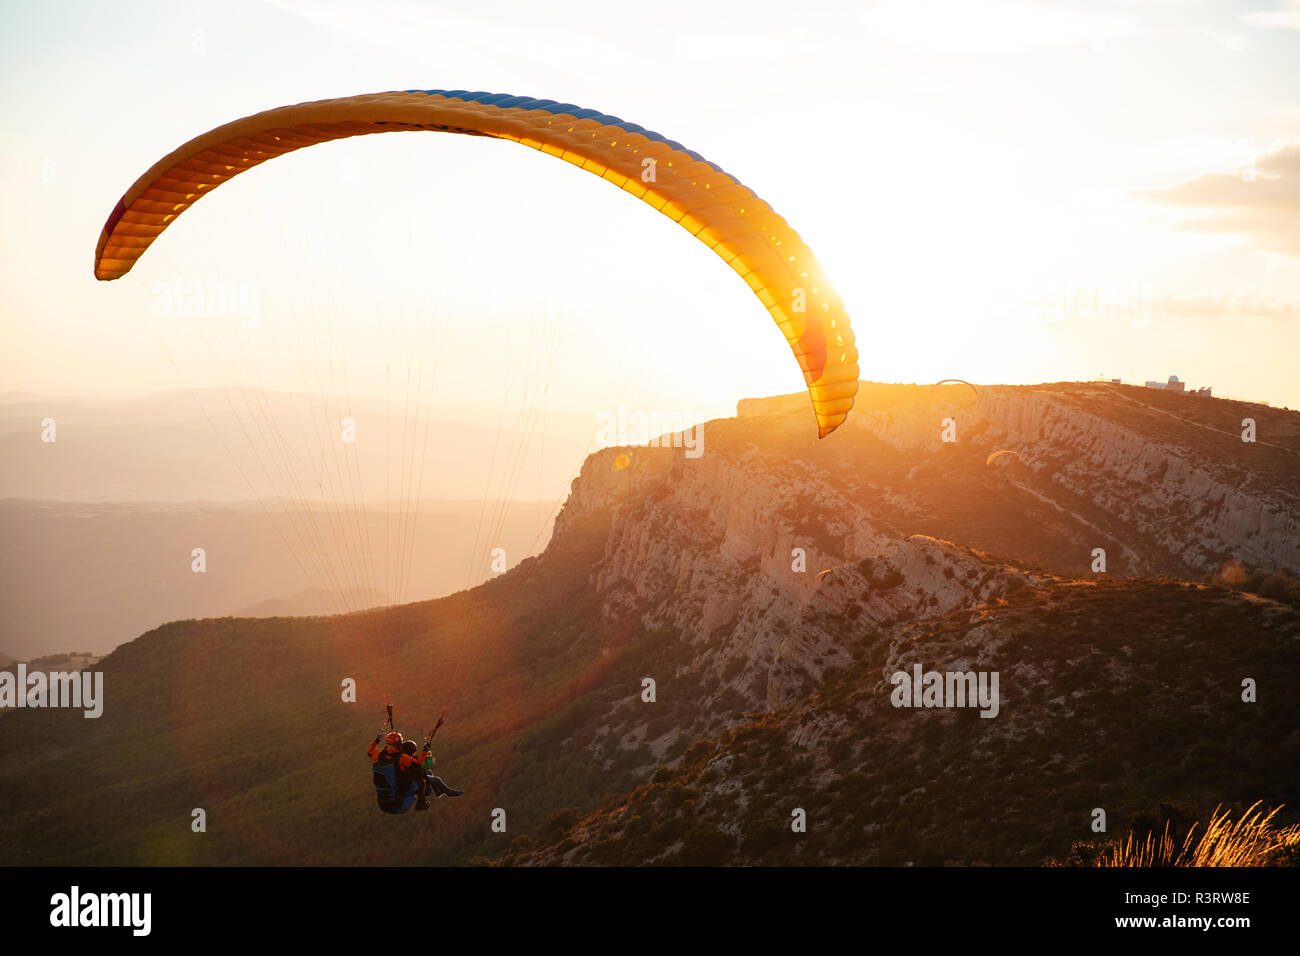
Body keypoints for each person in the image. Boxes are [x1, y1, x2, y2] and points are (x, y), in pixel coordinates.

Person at [369, 730, 431, 813]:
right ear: (397, 744)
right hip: (398, 805)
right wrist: (425, 751)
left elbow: (370, 752)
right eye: (400, 743)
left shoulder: (380, 755)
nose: (402, 745)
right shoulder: (402, 758)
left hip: (382, 804)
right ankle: (421, 802)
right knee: (421, 779)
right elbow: (418, 764)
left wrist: (376, 741)